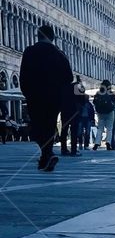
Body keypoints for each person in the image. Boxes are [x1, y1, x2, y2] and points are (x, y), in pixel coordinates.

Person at [19, 23, 73, 172]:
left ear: (38, 36)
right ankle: (46, 156)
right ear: (52, 37)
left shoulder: (29, 52)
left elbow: (23, 75)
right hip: (53, 97)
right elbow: (69, 77)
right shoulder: (58, 53)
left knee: (37, 127)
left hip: (35, 96)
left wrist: (27, 92)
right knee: (49, 126)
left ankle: (46, 155)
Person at [92, 81, 115, 149]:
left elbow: (94, 102)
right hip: (109, 112)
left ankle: (97, 143)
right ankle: (108, 143)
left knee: (100, 128)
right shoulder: (111, 93)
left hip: (100, 113)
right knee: (109, 129)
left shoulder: (98, 93)